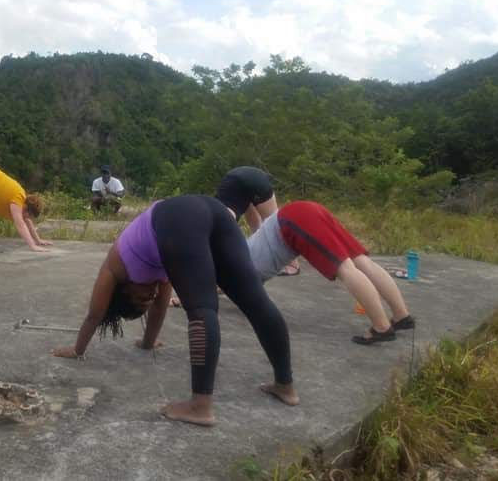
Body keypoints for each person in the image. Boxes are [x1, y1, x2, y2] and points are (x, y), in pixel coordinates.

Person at [52, 195, 298, 427]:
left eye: (140, 300)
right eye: (145, 303)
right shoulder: (163, 258)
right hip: (212, 212)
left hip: (178, 216)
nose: (150, 298)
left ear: (124, 291)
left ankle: (200, 406)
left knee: (202, 308)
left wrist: (77, 350)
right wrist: (147, 343)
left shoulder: (113, 268)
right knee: (254, 300)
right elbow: (159, 310)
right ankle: (285, 386)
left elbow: (95, 314)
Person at [246, 200, 414, 345]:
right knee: (361, 261)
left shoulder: (235, 272)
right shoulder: (237, 255)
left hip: (292, 221)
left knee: (345, 269)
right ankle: (401, 316)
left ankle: (382, 327)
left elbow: (236, 287)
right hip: (303, 210)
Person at [216, 166, 299, 276]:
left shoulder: (220, 222)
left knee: (274, 224)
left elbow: (227, 245)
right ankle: (259, 257)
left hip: (255, 182)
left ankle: (293, 264)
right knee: (256, 228)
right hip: (236, 181)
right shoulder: (215, 213)